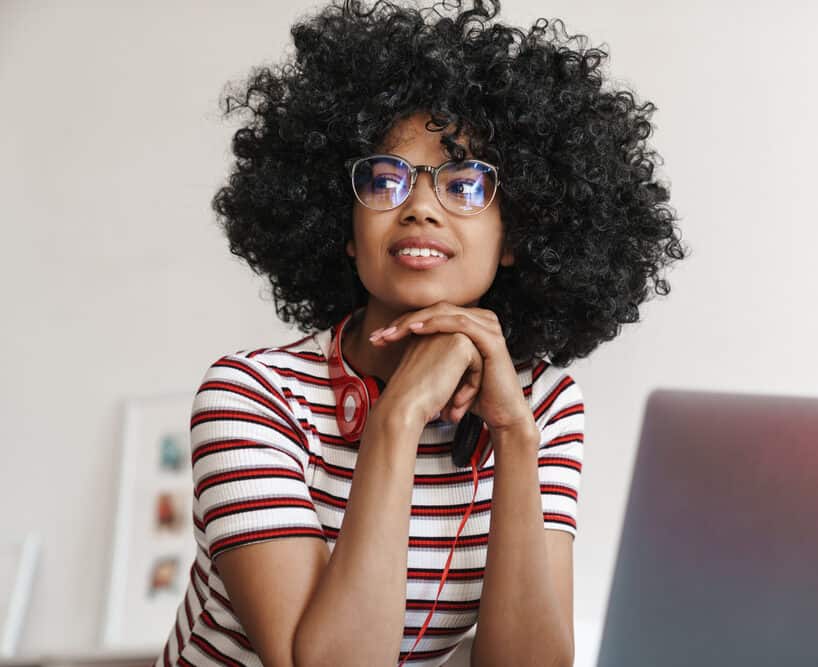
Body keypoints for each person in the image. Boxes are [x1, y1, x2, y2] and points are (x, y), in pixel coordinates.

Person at [155, 0, 685, 665]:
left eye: (464, 186)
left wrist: (515, 433)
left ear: (516, 234)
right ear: (345, 229)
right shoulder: (252, 397)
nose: (420, 209)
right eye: (385, 179)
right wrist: (400, 413)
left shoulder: (542, 405)